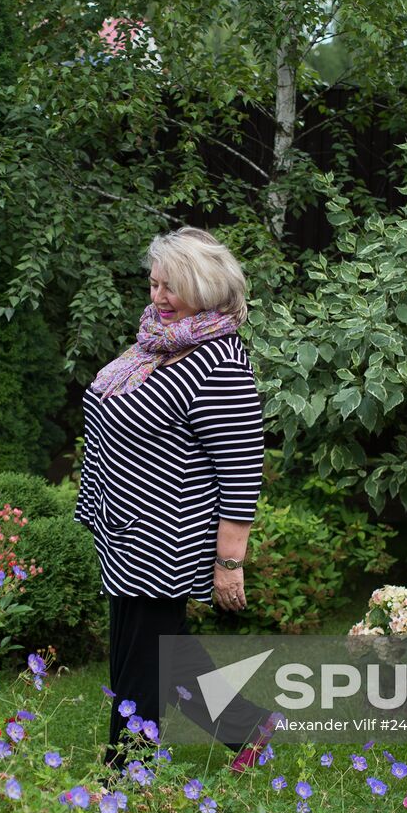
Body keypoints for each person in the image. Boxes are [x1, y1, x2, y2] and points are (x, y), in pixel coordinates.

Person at [75, 226, 277, 771]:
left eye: (171, 288)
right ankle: (248, 729)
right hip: (124, 527)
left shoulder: (217, 362)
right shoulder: (156, 346)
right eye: (154, 283)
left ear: (205, 290)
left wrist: (228, 563)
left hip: (163, 536)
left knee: (140, 661)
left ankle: (126, 774)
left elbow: (241, 469)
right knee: (163, 652)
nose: (157, 298)